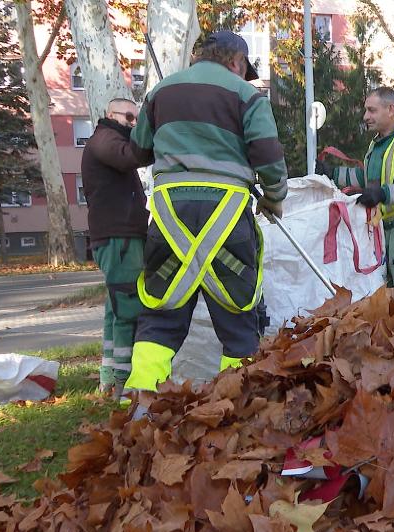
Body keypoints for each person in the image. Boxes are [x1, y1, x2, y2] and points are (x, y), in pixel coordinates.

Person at [123, 30, 288, 396]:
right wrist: (274, 198)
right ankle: (239, 410)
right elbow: (269, 157)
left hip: (168, 218)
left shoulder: (160, 93)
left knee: (161, 317)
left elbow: (138, 152)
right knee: (238, 319)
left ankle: (136, 414)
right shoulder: (246, 94)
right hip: (227, 217)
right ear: (237, 62)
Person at [318, 87, 394, 289]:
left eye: (371, 110)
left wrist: (381, 194)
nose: (365, 116)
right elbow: (367, 179)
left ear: (390, 109)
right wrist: (333, 174)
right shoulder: (378, 145)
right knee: (389, 295)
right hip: (386, 228)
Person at [80, 98, 150, 397]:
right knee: (129, 310)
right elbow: (128, 157)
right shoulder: (105, 139)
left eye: (138, 119)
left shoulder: (105, 139)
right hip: (119, 238)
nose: (134, 124)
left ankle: (109, 376)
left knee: (115, 307)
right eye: (130, 117)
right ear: (110, 115)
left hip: (116, 237)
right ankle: (126, 383)